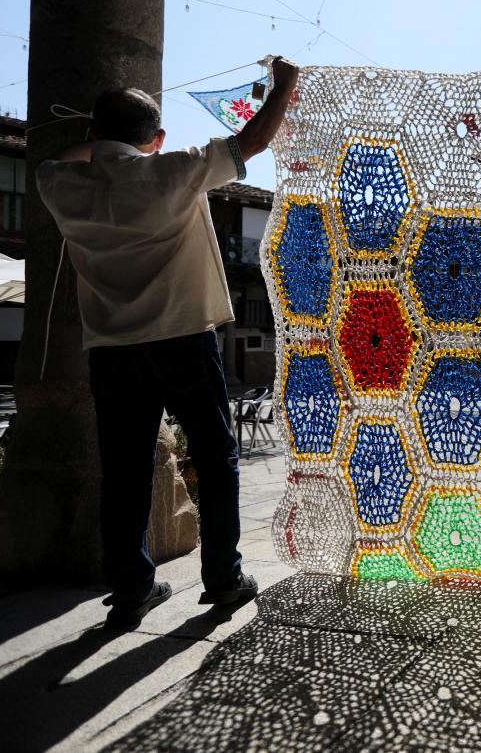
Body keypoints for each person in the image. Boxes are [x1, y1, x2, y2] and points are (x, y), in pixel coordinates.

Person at [38, 56, 299, 629]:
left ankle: (132, 588)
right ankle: (223, 578)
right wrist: (283, 86)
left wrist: (97, 148)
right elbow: (252, 141)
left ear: (94, 135)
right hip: (182, 340)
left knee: (124, 469)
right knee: (215, 455)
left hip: (111, 350)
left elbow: (55, 158)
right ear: (155, 139)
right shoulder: (173, 171)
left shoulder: (62, 186)